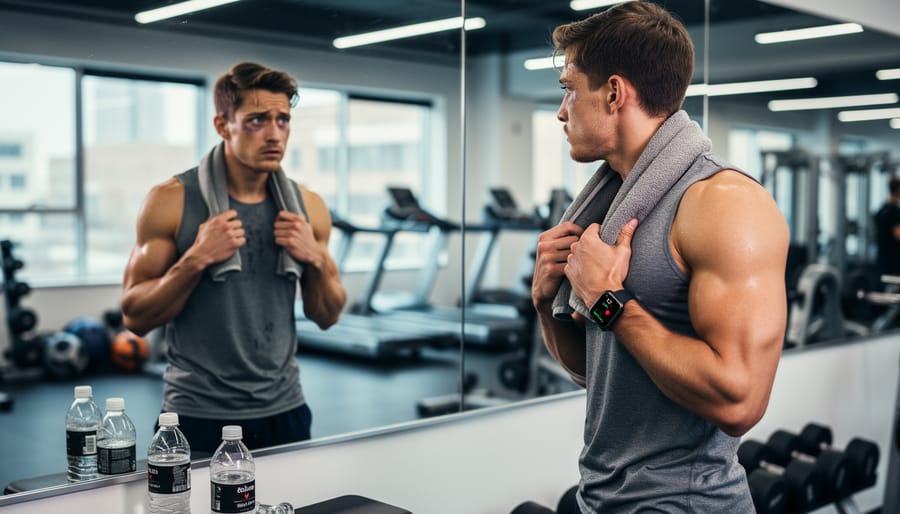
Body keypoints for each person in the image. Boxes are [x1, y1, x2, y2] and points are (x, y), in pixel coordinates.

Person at [531, 3, 789, 512]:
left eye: (569, 88)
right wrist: (546, 301)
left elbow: (739, 401)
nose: (562, 111)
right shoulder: (611, 209)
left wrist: (608, 301)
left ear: (613, 93)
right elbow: (598, 373)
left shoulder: (722, 203)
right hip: (603, 496)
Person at [120, 61, 346, 454]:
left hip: (285, 410)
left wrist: (315, 260)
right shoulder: (171, 200)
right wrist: (196, 258)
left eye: (283, 120)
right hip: (196, 415)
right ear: (224, 126)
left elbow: (328, 315)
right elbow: (135, 317)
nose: (275, 134)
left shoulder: (308, 207)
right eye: (258, 120)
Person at [874, 176, 900, 282]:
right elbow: (898, 235)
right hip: (894, 261)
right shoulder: (894, 212)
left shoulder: (880, 211)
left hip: (882, 259)